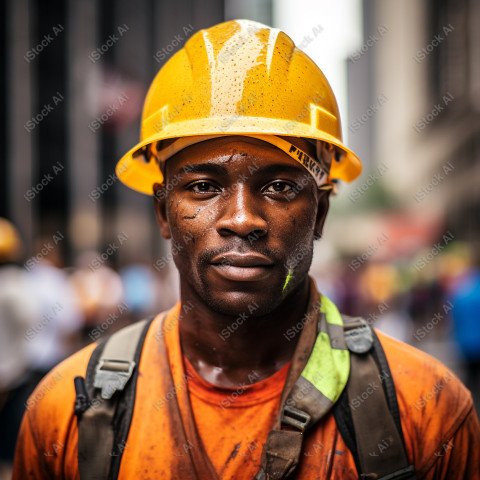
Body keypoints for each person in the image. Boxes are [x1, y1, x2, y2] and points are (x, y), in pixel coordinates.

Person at [13, 19, 480, 480]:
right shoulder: (65, 412)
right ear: (163, 214)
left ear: (319, 213)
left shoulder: (426, 408)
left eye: (278, 186)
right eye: (202, 186)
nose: (241, 219)